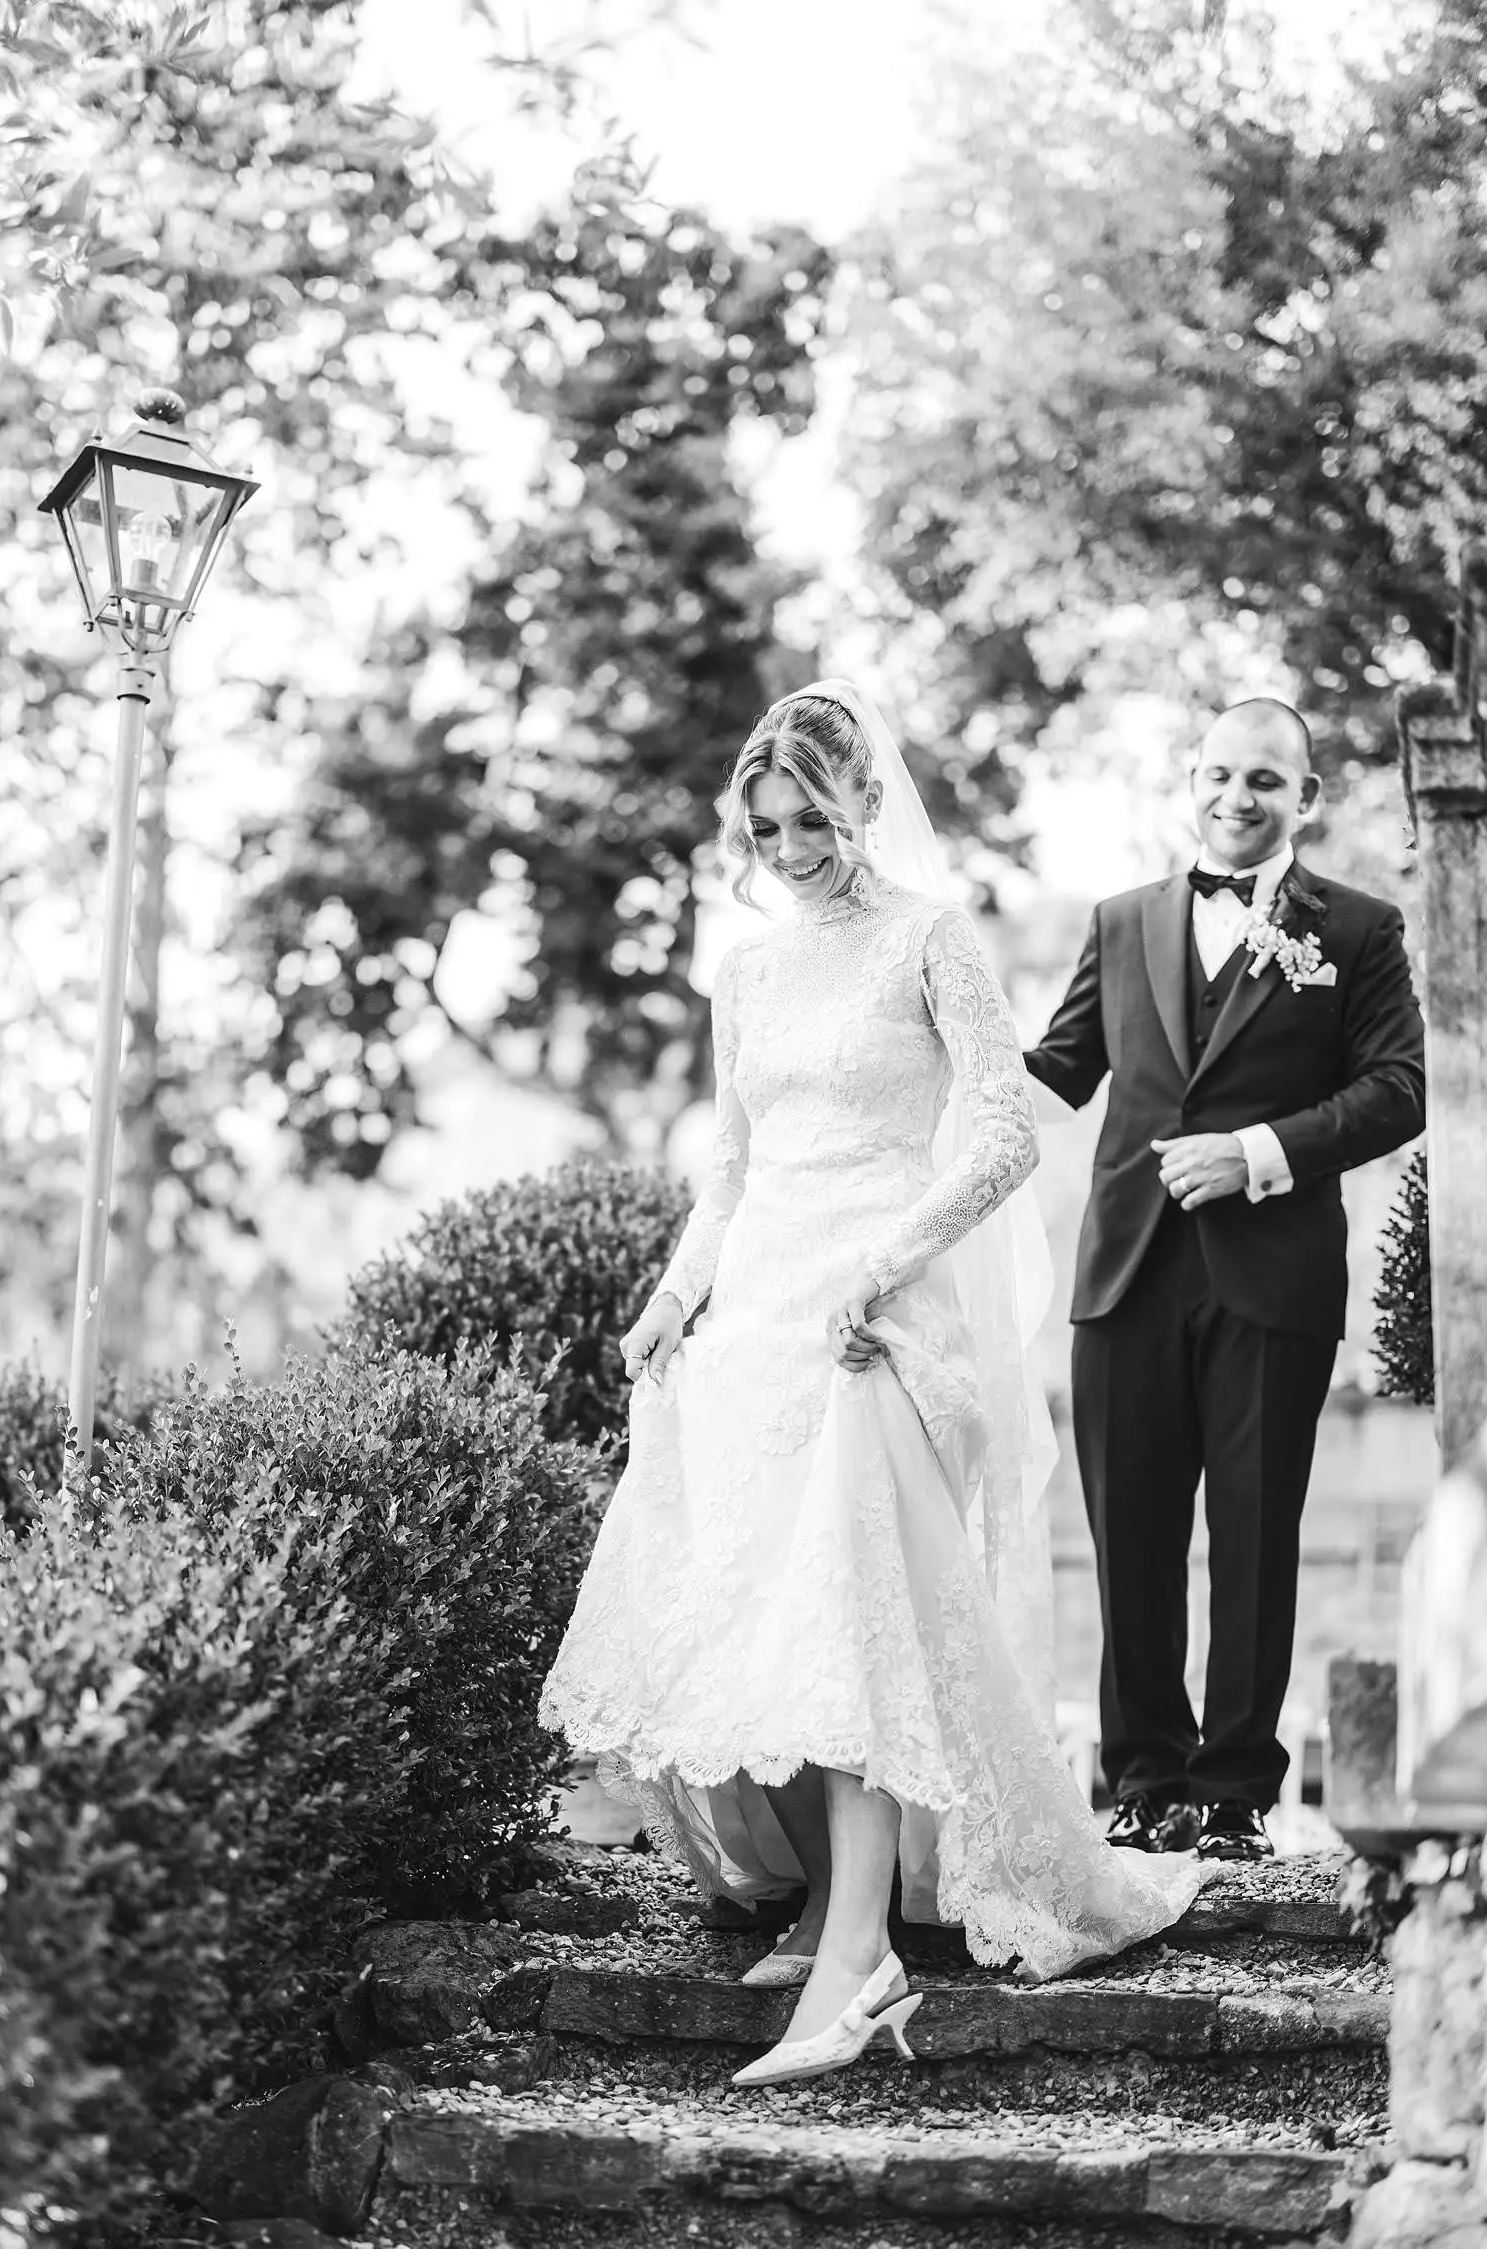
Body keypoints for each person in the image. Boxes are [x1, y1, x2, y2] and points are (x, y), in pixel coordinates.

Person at [540, 680, 1201, 2092]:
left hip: (884, 1326)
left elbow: (1006, 1137)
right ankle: (816, 1901)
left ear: (858, 805)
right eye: (765, 825)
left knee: (850, 1621)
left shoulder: (929, 939)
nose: (786, 846)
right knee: (755, 1617)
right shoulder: (751, 974)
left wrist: (891, 1264)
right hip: (761, 1319)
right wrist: (667, 1301)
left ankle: (859, 1957)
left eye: (809, 820)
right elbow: (732, 1167)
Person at [1023, 698, 1426, 1863]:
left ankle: (1235, 1792)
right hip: (1128, 1275)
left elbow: (1398, 1089)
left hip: (1274, 1279)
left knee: (1254, 1539)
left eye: (1265, 780)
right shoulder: (1120, 920)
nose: (1236, 798)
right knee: (1130, 1538)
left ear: (1305, 797)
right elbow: (1058, 1070)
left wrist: (1255, 1155)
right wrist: (931, 1033)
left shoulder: (1357, 927)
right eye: (1218, 775)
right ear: (1187, 781)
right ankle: (1143, 1781)